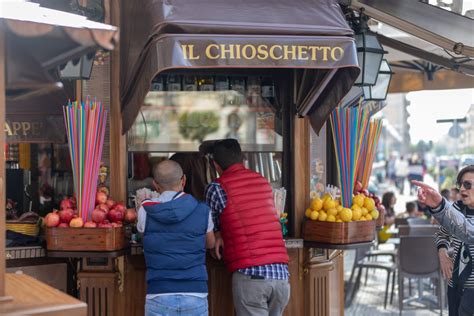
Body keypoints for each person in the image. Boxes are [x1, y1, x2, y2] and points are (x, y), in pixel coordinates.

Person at [201, 139, 290, 316]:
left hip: (251, 276)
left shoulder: (216, 188)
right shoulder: (263, 181)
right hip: (281, 277)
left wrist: (218, 234)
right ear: (241, 159)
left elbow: (209, 226)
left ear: (215, 165)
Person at [137, 160, 215, 316]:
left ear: (155, 185)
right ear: (183, 180)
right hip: (195, 295)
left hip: (159, 294)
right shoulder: (203, 211)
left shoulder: (145, 211)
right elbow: (210, 243)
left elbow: (144, 236)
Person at [413, 164, 474, 315]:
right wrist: (442, 253)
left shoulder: (452, 211)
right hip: (455, 284)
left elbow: (468, 232)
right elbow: (443, 233)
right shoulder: (457, 207)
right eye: (460, 184)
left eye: (467, 184)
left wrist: (441, 206)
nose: (462, 189)